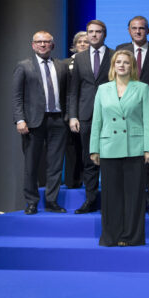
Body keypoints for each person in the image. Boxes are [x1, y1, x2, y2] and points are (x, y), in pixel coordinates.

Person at [89, 50, 149, 246]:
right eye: (118, 62)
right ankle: (111, 235)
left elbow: (147, 122)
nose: (122, 65)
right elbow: (97, 121)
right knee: (111, 195)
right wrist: (94, 148)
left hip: (134, 147)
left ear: (132, 66)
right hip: (109, 146)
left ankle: (131, 237)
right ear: (113, 66)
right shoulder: (103, 89)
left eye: (126, 62)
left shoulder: (142, 88)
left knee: (134, 195)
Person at [12, 31, 69, 214]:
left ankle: (52, 201)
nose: (43, 45)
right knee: (31, 164)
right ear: (33, 45)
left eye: (47, 42)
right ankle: (31, 202)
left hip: (58, 121)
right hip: (33, 122)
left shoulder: (60, 66)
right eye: (39, 42)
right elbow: (17, 96)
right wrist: (20, 119)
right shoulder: (24, 66)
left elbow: (68, 93)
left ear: (52, 45)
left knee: (55, 164)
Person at [116, 16, 149, 216]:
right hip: (124, 113)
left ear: (148, 30)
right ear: (128, 30)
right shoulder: (120, 50)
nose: (138, 32)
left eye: (142, 28)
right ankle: (131, 203)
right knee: (127, 159)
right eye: (134, 28)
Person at [68, 20, 112, 213]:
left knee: (111, 159)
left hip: (111, 115)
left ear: (104, 34)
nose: (94, 35)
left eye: (98, 32)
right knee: (89, 159)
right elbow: (74, 90)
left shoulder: (115, 55)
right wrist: (73, 116)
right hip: (85, 115)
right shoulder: (79, 58)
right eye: (90, 32)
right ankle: (91, 199)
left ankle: (112, 202)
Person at [64, 31, 90, 189]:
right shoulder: (64, 64)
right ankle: (72, 181)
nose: (82, 44)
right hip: (69, 112)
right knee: (72, 148)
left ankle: (88, 180)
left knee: (88, 148)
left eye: (85, 41)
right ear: (74, 46)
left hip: (88, 110)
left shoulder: (96, 64)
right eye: (79, 41)